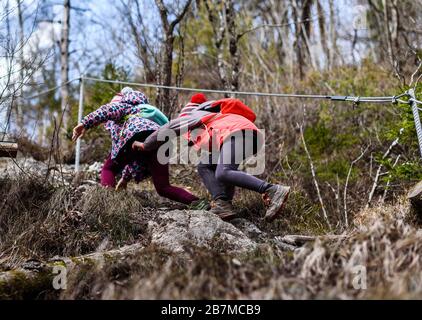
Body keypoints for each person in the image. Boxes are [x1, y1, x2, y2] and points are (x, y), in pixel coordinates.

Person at [133, 94, 290, 221]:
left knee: (223, 171)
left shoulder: (194, 115)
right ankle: (223, 203)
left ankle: (272, 190)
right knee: (206, 165)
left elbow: (168, 128)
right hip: (244, 134)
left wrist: (146, 145)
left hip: (237, 133)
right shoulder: (214, 121)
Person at [72, 87, 202, 206]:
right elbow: (136, 156)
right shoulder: (146, 110)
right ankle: (198, 202)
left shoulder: (124, 107)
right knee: (163, 187)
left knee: (109, 168)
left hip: (136, 135)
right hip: (161, 141)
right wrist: (125, 178)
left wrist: (85, 123)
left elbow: (107, 110)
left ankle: (108, 203)